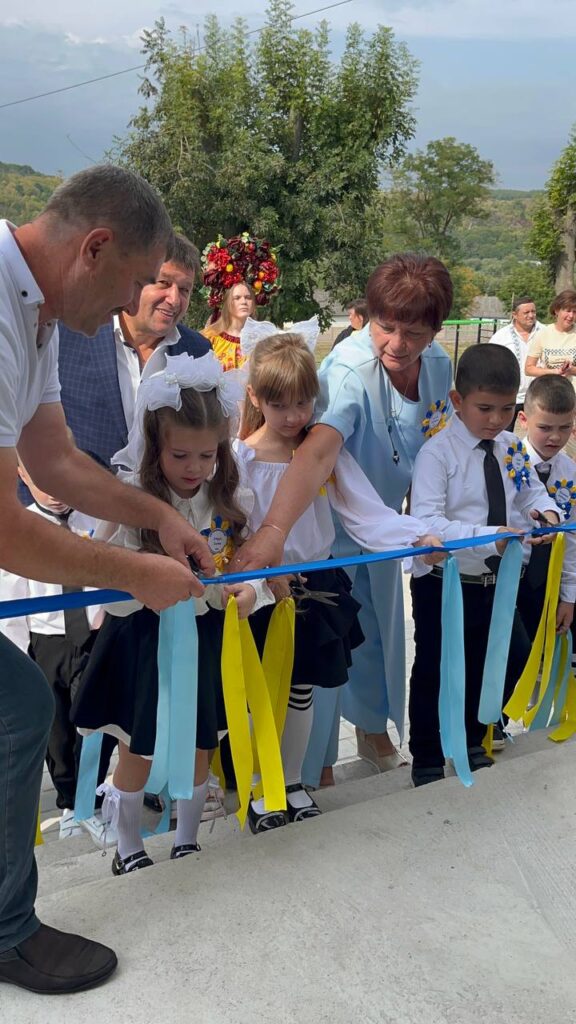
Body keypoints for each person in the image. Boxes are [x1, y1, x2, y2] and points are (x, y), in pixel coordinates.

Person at [0, 165, 213, 996]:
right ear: (94, 248)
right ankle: (8, 933)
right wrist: (136, 571)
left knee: (17, 708)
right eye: (135, 280)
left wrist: (160, 517)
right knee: (18, 707)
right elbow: (6, 527)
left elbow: (54, 458)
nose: (136, 301)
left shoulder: (37, 310)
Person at [231, 253, 454, 785]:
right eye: (385, 326)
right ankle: (315, 767)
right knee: (325, 644)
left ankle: (375, 733)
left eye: (414, 333)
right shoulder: (347, 371)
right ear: (367, 317)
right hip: (324, 522)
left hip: (386, 524)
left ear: (436, 330)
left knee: (377, 633)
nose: (397, 343)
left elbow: (433, 441)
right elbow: (316, 454)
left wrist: (424, 520)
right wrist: (274, 533)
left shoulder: (439, 365)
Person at [72, 352, 273, 872]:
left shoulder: (231, 497)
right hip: (143, 642)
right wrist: (145, 582)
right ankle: (128, 847)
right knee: (138, 746)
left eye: (207, 455)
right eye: (180, 454)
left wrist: (249, 594)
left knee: (200, 739)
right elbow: (106, 582)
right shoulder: (132, 500)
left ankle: (187, 840)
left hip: (205, 639)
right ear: (154, 446)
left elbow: (250, 568)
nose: (194, 468)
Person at [408, 344, 559, 786]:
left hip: (498, 581)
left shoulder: (511, 448)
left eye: (506, 409)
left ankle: (474, 738)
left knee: (487, 660)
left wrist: (546, 514)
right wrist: (488, 534)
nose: (496, 420)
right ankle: (426, 755)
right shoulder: (438, 454)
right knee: (436, 667)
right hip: (446, 581)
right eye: (485, 408)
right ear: (458, 400)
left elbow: (530, 493)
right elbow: (428, 521)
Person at [0, 460, 115, 844]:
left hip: (94, 634)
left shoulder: (96, 519)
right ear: (22, 475)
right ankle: (68, 802)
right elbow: (11, 595)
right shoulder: (21, 528)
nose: (51, 490)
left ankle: (90, 800)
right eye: (39, 479)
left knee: (94, 720)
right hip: (46, 640)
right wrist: (20, 655)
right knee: (58, 729)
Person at [57, 232, 210, 473]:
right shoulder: (70, 333)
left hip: (159, 495)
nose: (174, 299)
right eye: (164, 283)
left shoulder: (197, 351)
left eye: (184, 289)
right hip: (70, 492)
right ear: (136, 279)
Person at [514, 376, 576, 645]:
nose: (555, 436)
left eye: (565, 427)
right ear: (523, 419)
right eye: (545, 427)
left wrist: (569, 596)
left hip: (549, 583)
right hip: (509, 578)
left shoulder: (570, 471)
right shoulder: (508, 463)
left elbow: (572, 537)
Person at [488, 295, 543, 418]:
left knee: (538, 429)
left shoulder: (545, 332)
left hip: (538, 395)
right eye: (526, 312)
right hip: (509, 395)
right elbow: (490, 365)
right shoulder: (501, 337)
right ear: (515, 315)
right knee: (503, 429)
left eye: (533, 311)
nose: (531, 315)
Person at [525, 290, 576, 384]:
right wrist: (553, 372)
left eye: (575, 312)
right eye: (568, 311)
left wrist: (572, 370)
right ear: (557, 310)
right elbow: (528, 369)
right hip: (550, 389)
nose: (571, 315)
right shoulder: (542, 334)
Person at [202, 281, 256, 370]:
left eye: (248, 297)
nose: (244, 302)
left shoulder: (261, 341)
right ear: (227, 303)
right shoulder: (209, 337)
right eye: (237, 298)